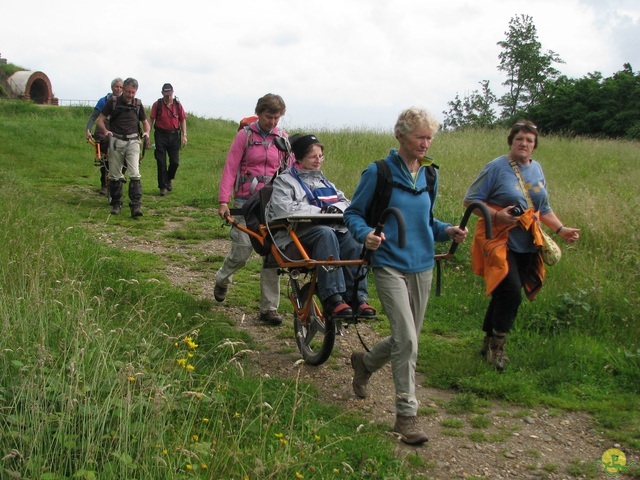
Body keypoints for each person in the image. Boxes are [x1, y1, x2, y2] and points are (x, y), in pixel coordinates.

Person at [344, 107, 468, 445]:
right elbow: (352, 213)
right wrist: (366, 234)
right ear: (401, 136)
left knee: (406, 337)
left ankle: (365, 363)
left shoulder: (430, 175)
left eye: (430, 137)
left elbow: (427, 222)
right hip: (388, 263)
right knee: (409, 340)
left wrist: (449, 230)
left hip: (423, 265)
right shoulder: (379, 172)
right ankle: (406, 415)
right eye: (420, 137)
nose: (426, 143)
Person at [463, 120, 580, 371]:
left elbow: (542, 208)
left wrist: (561, 230)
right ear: (511, 141)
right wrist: (498, 216)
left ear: (535, 145)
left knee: (504, 292)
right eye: (519, 139)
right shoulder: (496, 167)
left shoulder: (536, 169)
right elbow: (470, 201)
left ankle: (486, 343)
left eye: (529, 140)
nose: (524, 143)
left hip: (528, 242)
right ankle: (497, 348)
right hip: (499, 240)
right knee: (512, 292)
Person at [266, 134, 375, 317]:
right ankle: (333, 298)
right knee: (326, 234)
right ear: (299, 158)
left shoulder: (325, 182)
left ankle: (357, 297)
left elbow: (346, 203)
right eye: (313, 157)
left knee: (352, 238)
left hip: (328, 230)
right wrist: (320, 211)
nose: (318, 161)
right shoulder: (284, 181)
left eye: (320, 156)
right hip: (296, 233)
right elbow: (284, 209)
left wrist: (333, 208)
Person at [215, 94, 288, 326]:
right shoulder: (244, 136)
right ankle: (222, 279)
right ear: (259, 113)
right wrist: (223, 201)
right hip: (245, 204)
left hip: (273, 205)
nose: (273, 122)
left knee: (272, 255)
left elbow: (290, 171)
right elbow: (230, 168)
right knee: (242, 251)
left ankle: (269, 308)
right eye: (269, 117)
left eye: (277, 118)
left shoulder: (283, 139)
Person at [96, 77, 151, 218]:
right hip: (116, 140)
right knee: (115, 174)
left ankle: (136, 206)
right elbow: (100, 119)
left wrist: (146, 133)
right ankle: (116, 203)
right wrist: (106, 131)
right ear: (123, 89)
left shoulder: (138, 105)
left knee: (134, 173)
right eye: (128, 92)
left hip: (133, 141)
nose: (130, 95)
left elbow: (145, 122)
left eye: (133, 92)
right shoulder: (113, 102)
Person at [85, 77, 123, 195]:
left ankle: (116, 181)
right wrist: (88, 129)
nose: (119, 89)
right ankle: (104, 183)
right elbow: (93, 117)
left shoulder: (125, 101)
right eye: (117, 86)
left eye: (121, 87)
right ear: (112, 87)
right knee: (105, 153)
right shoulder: (104, 100)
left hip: (118, 128)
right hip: (103, 127)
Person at [149, 83, 188, 196]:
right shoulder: (157, 105)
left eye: (169, 94)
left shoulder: (177, 105)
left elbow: (182, 120)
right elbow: (151, 119)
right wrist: (147, 133)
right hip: (160, 135)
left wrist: (184, 135)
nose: (168, 97)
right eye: (166, 95)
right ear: (162, 93)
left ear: (172, 92)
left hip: (174, 135)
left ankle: (169, 178)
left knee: (175, 162)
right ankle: (163, 186)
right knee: (161, 161)